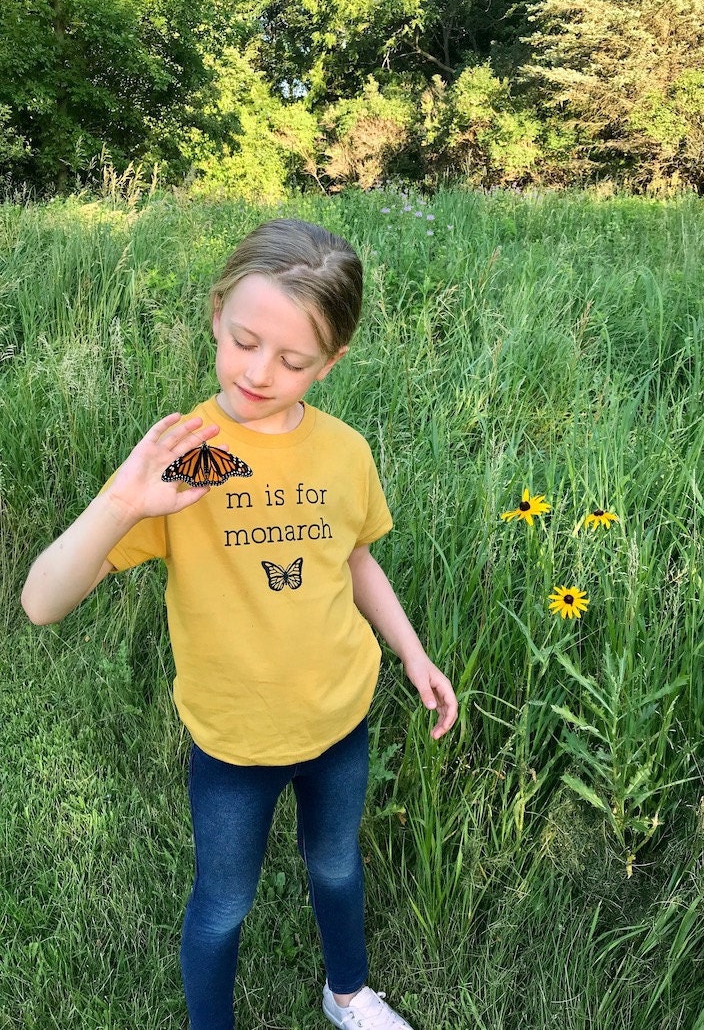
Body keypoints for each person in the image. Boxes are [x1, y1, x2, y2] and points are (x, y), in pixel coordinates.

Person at [21, 218, 458, 1030]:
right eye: (246, 340)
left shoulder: (343, 451)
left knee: (334, 862)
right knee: (223, 902)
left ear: (333, 361)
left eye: (294, 361)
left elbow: (356, 557)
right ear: (217, 312)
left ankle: (348, 992)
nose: (261, 373)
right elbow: (42, 601)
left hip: (339, 718)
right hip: (234, 741)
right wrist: (122, 500)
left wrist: (412, 651)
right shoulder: (190, 454)